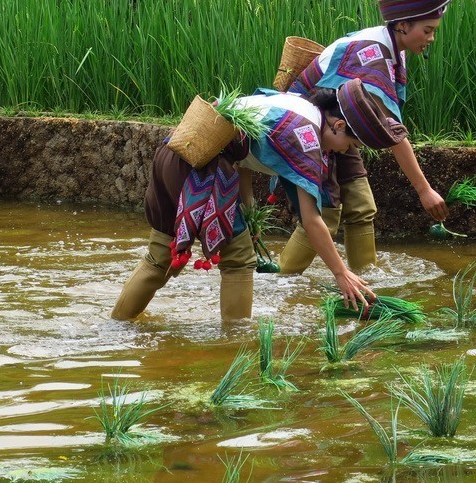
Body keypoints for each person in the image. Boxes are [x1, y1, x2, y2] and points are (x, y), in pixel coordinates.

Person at [110, 79, 403, 320]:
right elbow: (313, 220)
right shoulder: (307, 138)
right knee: (239, 260)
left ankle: (117, 327)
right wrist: (341, 273)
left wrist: (248, 215)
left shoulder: (295, 104)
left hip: (176, 151)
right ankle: (236, 345)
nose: (343, 152)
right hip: (200, 170)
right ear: (338, 125)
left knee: (159, 256)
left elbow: (241, 157)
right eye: (350, 144)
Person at [279, 0, 454, 274]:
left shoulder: (392, 49)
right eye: (427, 31)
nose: (431, 39)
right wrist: (424, 190)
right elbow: (392, 133)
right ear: (402, 26)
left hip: (338, 128)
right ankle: (282, 284)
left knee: (361, 206)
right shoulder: (371, 54)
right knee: (326, 212)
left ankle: (367, 283)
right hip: (310, 131)